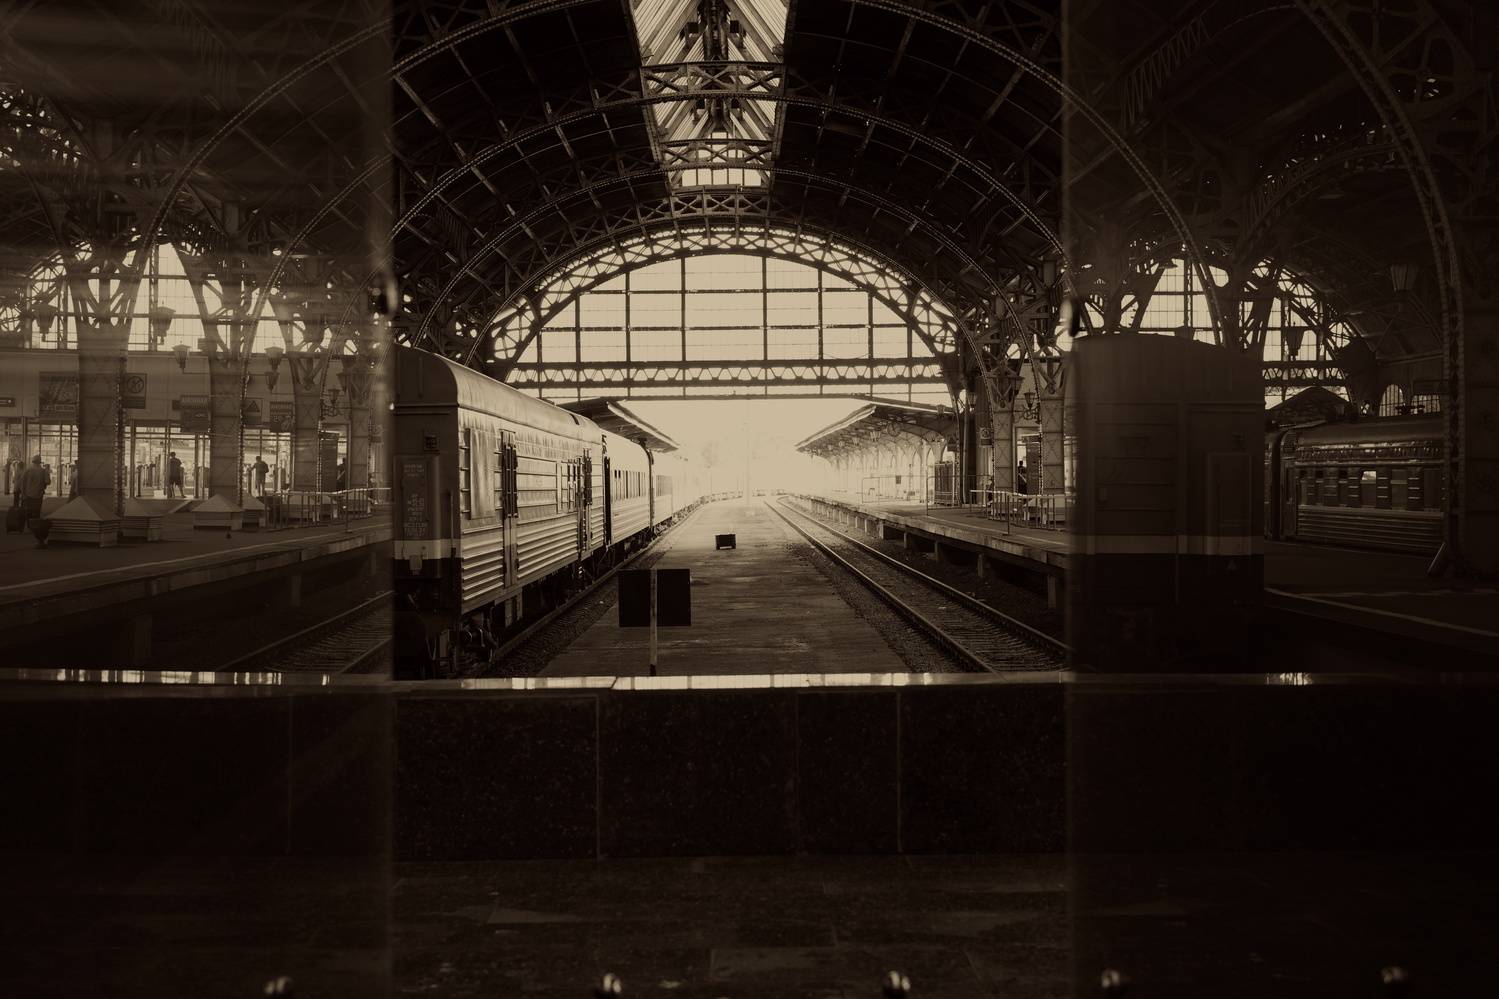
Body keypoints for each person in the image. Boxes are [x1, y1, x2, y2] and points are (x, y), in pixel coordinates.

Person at [16, 455, 51, 547]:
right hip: (38, 495)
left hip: (28, 495)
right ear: (40, 462)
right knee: (36, 511)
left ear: (33, 461)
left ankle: (29, 526)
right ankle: (36, 527)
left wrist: (23, 493)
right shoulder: (43, 471)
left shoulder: (27, 470)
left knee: (28, 511)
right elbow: (48, 482)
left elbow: (22, 483)